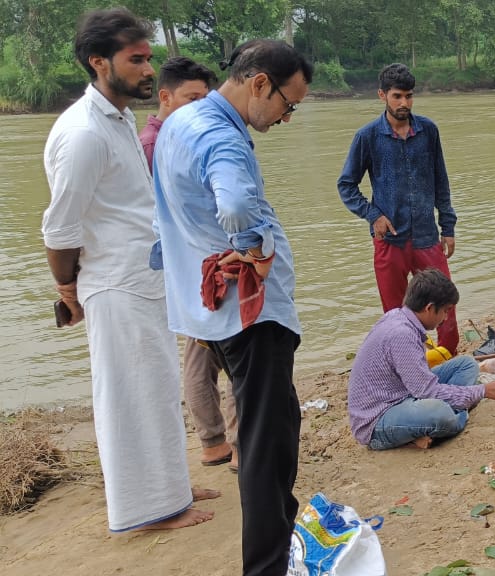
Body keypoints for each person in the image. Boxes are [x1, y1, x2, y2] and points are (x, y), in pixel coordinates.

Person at [40, 7, 216, 533]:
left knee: (156, 390)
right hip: (115, 284)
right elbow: (59, 228)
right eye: (136, 59)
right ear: (99, 62)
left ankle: (172, 489)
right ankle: (147, 511)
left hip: (142, 279)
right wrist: (67, 290)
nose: (148, 69)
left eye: (148, 58)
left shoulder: (116, 120)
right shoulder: (84, 133)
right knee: (129, 398)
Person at [152, 38, 313, 575]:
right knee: (266, 448)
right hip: (250, 314)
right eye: (288, 104)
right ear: (260, 83)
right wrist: (255, 249)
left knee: (279, 423)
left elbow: (165, 215)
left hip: (212, 313)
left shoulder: (180, 121)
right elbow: (238, 204)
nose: (286, 117)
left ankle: (279, 539)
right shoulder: (221, 135)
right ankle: (266, 566)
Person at [138, 56, 237, 470]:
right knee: (221, 350)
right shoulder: (156, 144)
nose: (200, 108)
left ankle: (218, 440)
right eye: (191, 99)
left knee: (207, 351)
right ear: (165, 97)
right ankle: (225, 442)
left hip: (195, 261)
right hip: (195, 263)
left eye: (204, 99)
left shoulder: (176, 136)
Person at [337, 63, 460, 354]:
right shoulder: (367, 137)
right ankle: (407, 362)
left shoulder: (428, 131)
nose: (404, 103)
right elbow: (346, 185)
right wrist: (373, 215)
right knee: (395, 313)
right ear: (382, 95)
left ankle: (449, 358)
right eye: (397, 96)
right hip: (389, 239)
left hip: (427, 236)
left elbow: (441, 181)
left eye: (409, 96)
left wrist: (448, 227)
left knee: (445, 304)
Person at [347, 270, 495, 450]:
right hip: (379, 418)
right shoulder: (402, 334)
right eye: (445, 311)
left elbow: (421, 385)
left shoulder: (399, 316)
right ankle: (457, 416)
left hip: (405, 393)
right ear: (429, 308)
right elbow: (427, 391)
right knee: (440, 413)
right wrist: (482, 391)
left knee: (466, 364)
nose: (446, 318)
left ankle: (446, 416)